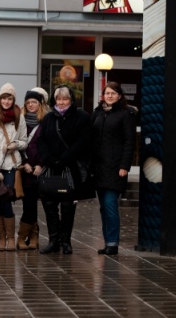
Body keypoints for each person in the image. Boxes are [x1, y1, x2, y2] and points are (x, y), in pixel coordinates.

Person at [38, 85, 91, 255]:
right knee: (50, 204)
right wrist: (49, 159)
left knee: (68, 205)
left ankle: (66, 241)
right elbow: (41, 141)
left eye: (65, 99)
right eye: (58, 99)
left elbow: (83, 142)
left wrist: (64, 158)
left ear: (71, 100)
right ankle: (53, 240)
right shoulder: (48, 118)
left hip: (70, 167)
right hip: (51, 168)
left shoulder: (81, 117)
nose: (61, 102)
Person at [90, 82, 137, 255]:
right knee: (103, 206)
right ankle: (108, 242)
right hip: (99, 168)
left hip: (115, 168)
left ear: (119, 95)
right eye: (107, 93)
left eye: (113, 93)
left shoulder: (126, 114)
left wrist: (125, 166)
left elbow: (129, 142)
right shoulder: (98, 113)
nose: (109, 96)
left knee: (110, 204)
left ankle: (113, 243)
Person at [0, 83, 28, 251]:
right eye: (4, 98)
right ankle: (1, 239)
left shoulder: (20, 116)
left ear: (13, 100)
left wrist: (15, 144)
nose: (6, 101)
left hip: (12, 164)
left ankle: (11, 238)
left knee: (6, 198)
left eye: (9, 98)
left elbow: (25, 141)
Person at [17, 87, 49, 250]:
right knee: (28, 203)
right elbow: (18, 145)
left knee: (33, 204)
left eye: (34, 102)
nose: (30, 105)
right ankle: (27, 236)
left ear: (40, 104)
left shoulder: (46, 122)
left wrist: (41, 164)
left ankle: (30, 236)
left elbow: (49, 145)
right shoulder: (20, 121)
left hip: (40, 170)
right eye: (28, 102)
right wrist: (25, 163)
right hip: (25, 169)